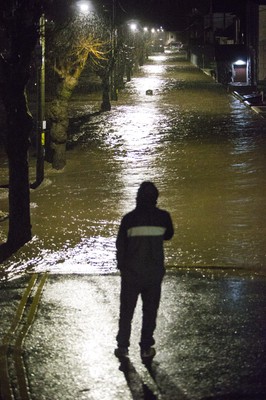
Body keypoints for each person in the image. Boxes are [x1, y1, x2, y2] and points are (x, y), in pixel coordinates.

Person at [114, 181, 174, 360]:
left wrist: (122, 266)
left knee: (126, 311)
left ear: (137, 197)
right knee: (150, 311)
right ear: (156, 198)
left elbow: (120, 245)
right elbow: (169, 235)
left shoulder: (128, 219)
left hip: (131, 274)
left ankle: (123, 347)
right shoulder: (163, 217)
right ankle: (146, 347)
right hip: (153, 274)